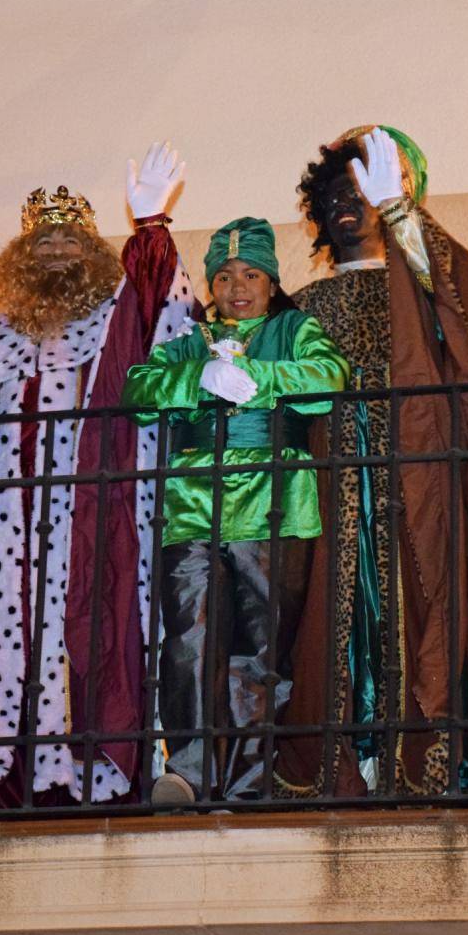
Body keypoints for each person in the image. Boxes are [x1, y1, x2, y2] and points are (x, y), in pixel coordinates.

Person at [0, 145, 193, 809]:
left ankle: (90, 777)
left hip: (93, 520)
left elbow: (162, 314)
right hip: (2, 538)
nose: (57, 250)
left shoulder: (114, 324)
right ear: (20, 259)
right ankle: (0, 783)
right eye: (43, 241)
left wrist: (151, 225)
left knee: (95, 630)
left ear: (93, 254)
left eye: (71, 240)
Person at [278, 126, 468, 799]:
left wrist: (402, 217)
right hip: (330, 493)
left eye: (362, 191)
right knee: (332, 619)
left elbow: (466, 334)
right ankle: (347, 764)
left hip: (421, 485)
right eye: (334, 194)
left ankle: (426, 763)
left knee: (428, 607)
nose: (346, 204)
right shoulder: (300, 308)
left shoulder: (428, 284)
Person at [122, 215, 348, 803]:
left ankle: (249, 784)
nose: (237, 286)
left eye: (251, 274)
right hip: (190, 504)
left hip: (275, 502)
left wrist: (252, 375)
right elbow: (137, 389)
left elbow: (329, 377)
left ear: (271, 282)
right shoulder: (187, 343)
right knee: (187, 642)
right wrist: (200, 377)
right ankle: (190, 776)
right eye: (223, 276)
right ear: (211, 286)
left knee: (261, 650)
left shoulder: (295, 328)